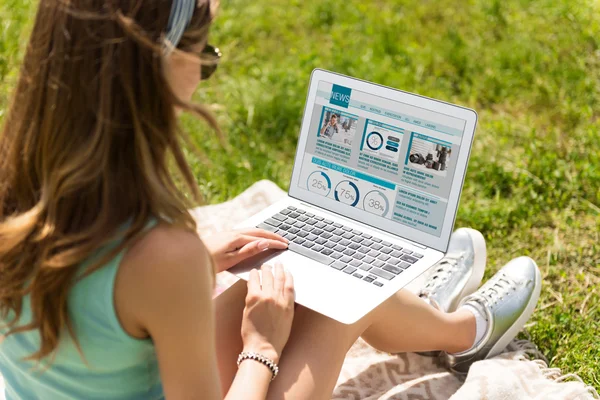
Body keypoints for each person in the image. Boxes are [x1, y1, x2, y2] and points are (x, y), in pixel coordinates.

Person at [0, 0, 542, 399]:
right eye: (205, 54)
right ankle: (462, 332)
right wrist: (262, 345)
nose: (206, 71)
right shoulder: (162, 259)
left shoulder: (15, 186)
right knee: (339, 301)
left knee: (289, 261)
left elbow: (93, 290)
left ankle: (433, 317)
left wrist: (197, 263)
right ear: (156, 71)